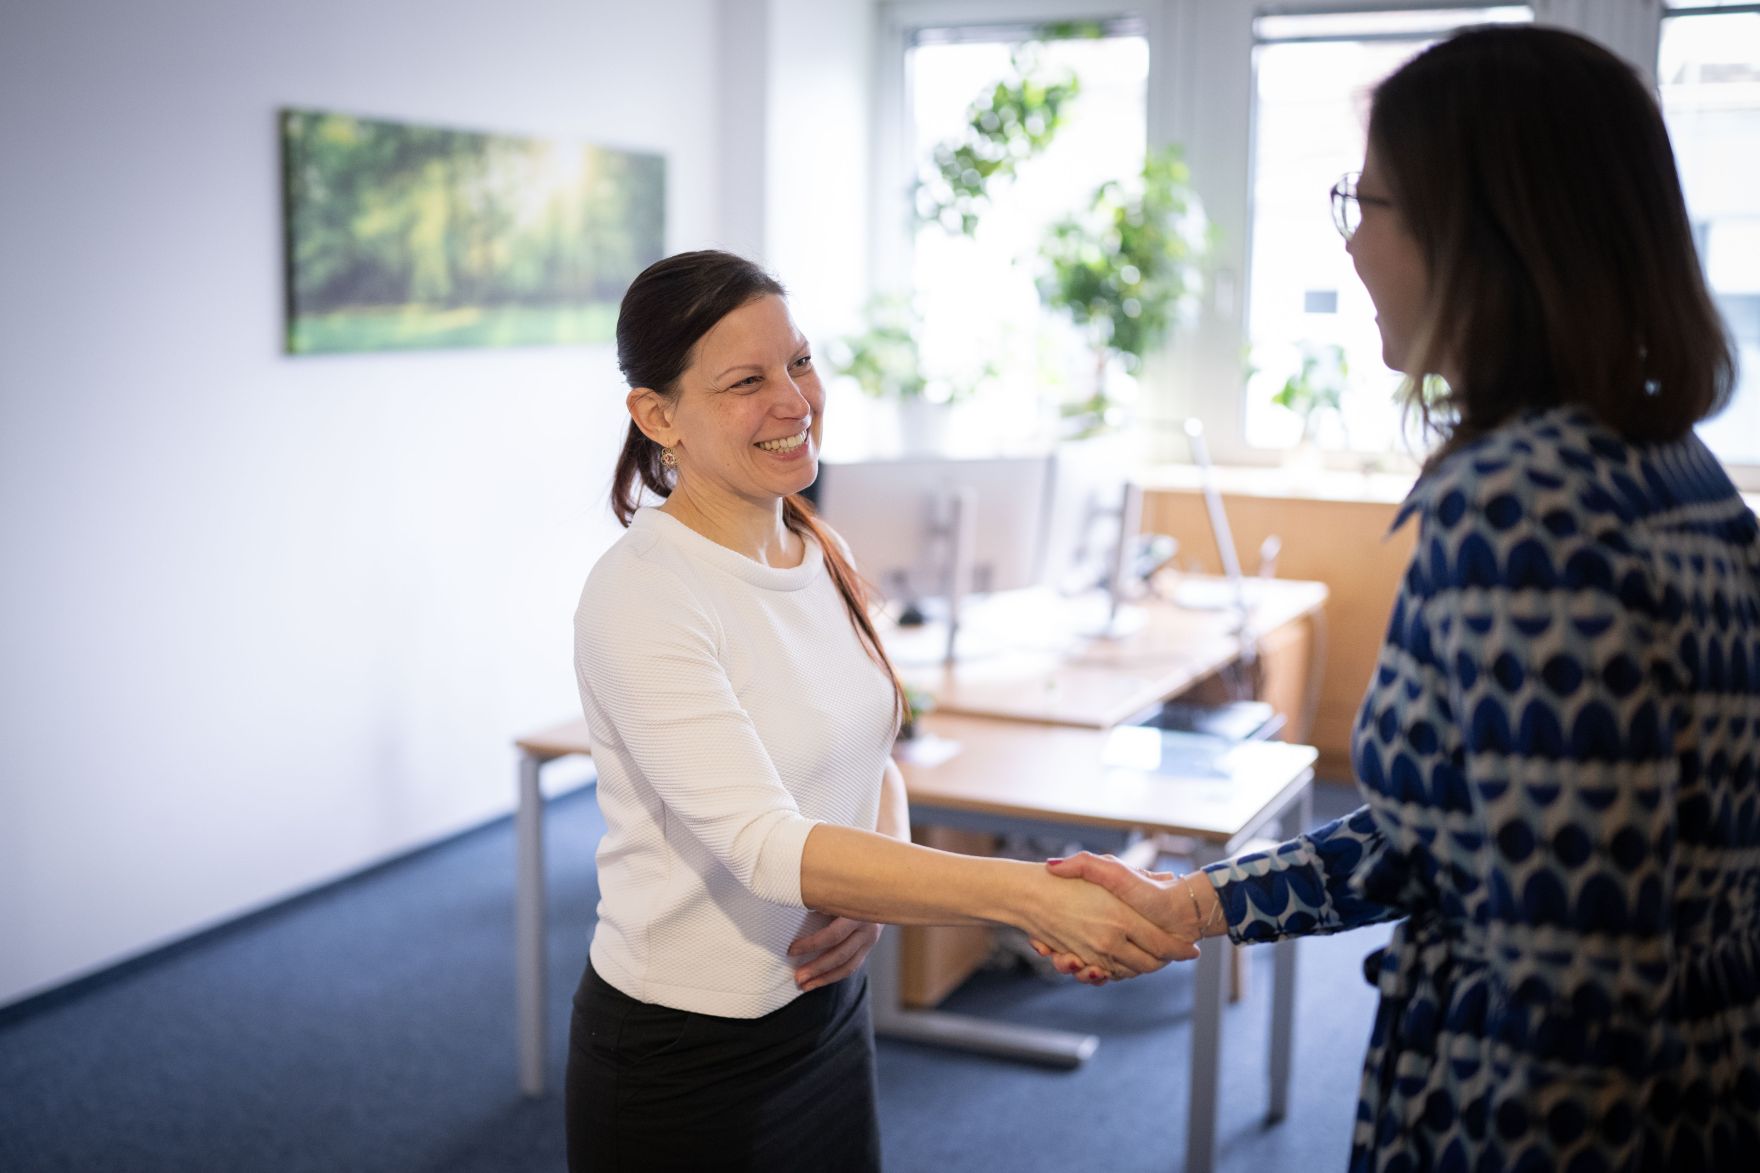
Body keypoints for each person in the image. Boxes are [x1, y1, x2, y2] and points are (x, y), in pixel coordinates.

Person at [1042, 24, 1760, 1171]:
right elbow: (1465, 837)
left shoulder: (1522, 507)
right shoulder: (1667, 466)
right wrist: (1195, 905)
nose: (1349, 248)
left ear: (1473, 234)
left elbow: (1575, 981)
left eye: (1362, 204)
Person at [567, 249, 1191, 1172]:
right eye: (748, 381)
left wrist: (874, 891)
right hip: (686, 1047)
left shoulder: (815, 544)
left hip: (825, 1011)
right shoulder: (645, 593)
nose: (795, 400)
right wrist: (1024, 895)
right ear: (658, 415)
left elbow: (873, 749)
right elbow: (765, 843)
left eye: (801, 361)